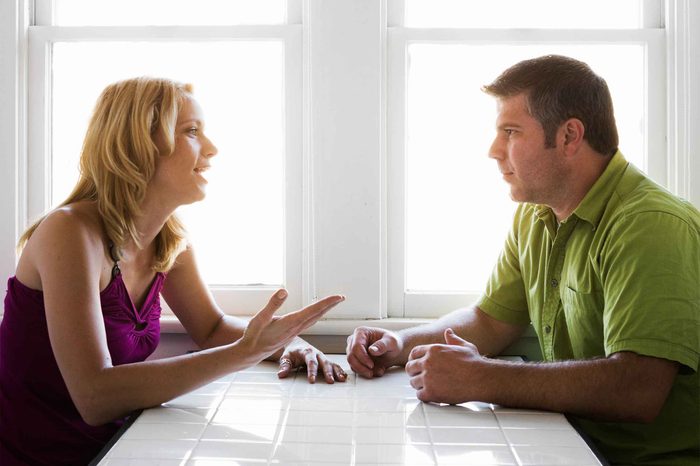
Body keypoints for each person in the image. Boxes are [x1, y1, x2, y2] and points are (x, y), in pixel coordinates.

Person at [347, 55, 699, 465]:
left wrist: (480, 377)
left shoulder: (650, 224)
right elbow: (491, 322)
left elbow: (639, 388)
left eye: (510, 132)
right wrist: (400, 344)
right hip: (570, 445)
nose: (494, 151)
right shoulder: (536, 214)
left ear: (569, 136)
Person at [0, 77, 346, 466]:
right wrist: (244, 353)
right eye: (192, 132)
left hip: (119, 450)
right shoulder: (68, 232)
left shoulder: (168, 238)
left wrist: (286, 343)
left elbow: (211, 329)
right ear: (138, 145)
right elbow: (94, 397)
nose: (212, 150)